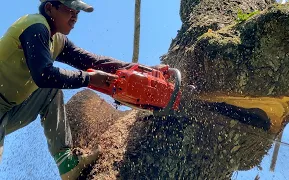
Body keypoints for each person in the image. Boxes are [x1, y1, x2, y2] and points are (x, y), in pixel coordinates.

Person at [0, 0, 167, 179]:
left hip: (8, 110)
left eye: (77, 13)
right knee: (50, 82)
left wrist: (143, 70)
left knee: (51, 91)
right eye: (70, 10)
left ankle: (66, 163)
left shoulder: (56, 39)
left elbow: (94, 62)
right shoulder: (35, 26)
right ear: (49, 8)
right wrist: (88, 79)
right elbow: (44, 75)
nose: (75, 17)